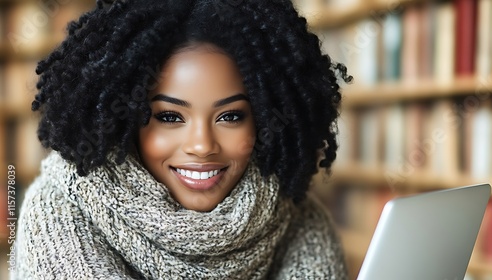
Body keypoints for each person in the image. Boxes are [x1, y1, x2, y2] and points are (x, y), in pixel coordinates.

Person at [13, 0, 352, 279]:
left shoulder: (298, 215)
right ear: (126, 121)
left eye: (231, 116)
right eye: (169, 117)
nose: (202, 145)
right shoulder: (57, 211)